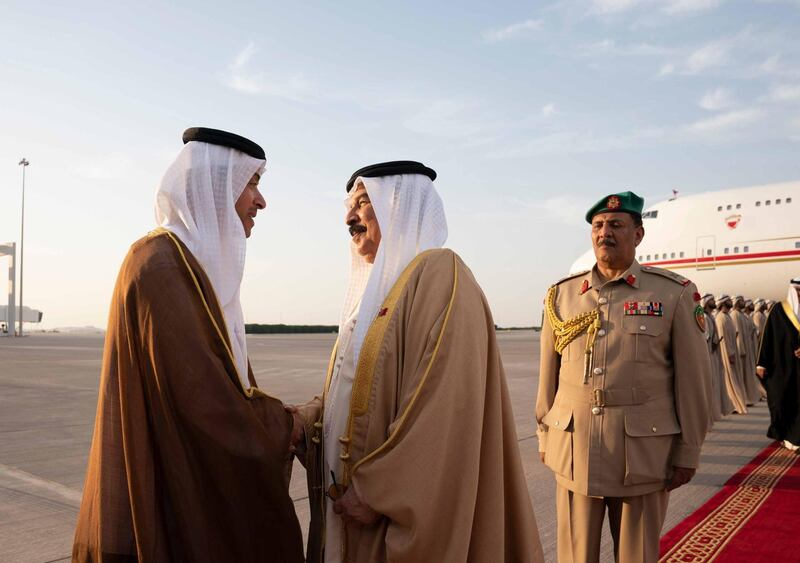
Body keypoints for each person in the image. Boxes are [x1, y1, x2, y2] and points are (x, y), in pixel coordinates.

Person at [291, 161, 543, 562]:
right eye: (348, 206)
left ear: (397, 205)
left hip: (385, 519)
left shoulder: (440, 275)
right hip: (347, 513)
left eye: (362, 202)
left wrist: (378, 492)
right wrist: (303, 421)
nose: (349, 218)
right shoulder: (370, 300)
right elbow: (351, 393)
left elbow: (443, 411)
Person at [72, 128, 304, 562]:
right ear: (216, 188)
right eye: (251, 183)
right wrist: (287, 426)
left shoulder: (194, 268)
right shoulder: (158, 264)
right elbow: (206, 403)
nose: (261, 201)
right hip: (167, 503)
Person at [536, 191, 710, 563]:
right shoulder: (562, 296)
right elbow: (547, 377)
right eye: (597, 226)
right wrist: (544, 433)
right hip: (575, 448)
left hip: (642, 454)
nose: (604, 233)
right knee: (575, 556)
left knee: (637, 556)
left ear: (638, 235)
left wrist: (688, 449)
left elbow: (693, 383)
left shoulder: (673, 294)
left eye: (616, 225)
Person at [756, 278, 800, 451]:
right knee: (781, 400)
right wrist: (761, 363)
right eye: (797, 291)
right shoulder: (778, 311)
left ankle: (796, 438)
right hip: (783, 366)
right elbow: (767, 338)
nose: (799, 294)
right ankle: (785, 435)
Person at [714, 294, 749, 414]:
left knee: (735, 378)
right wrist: (730, 353)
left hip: (733, 352)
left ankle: (738, 404)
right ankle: (735, 405)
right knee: (731, 379)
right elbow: (723, 339)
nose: (730, 302)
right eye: (728, 301)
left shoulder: (727, 316)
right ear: (723, 303)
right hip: (728, 353)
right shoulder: (721, 318)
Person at [702, 294, 733, 422]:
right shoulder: (704, 317)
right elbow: (705, 338)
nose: (714, 302)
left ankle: (714, 413)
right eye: (711, 300)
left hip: (714, 355)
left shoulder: (711, 317)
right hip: (709, 355)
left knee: (715, 385)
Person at [731, 296, 760, 405]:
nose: (744, 303)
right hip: (741, 351)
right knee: (741, 375)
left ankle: (748, 398)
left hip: (747, 349)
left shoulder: (742, 316)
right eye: (741, 301)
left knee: (747, 375)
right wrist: (741, 350)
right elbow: (737, 335)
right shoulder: (735, 315)